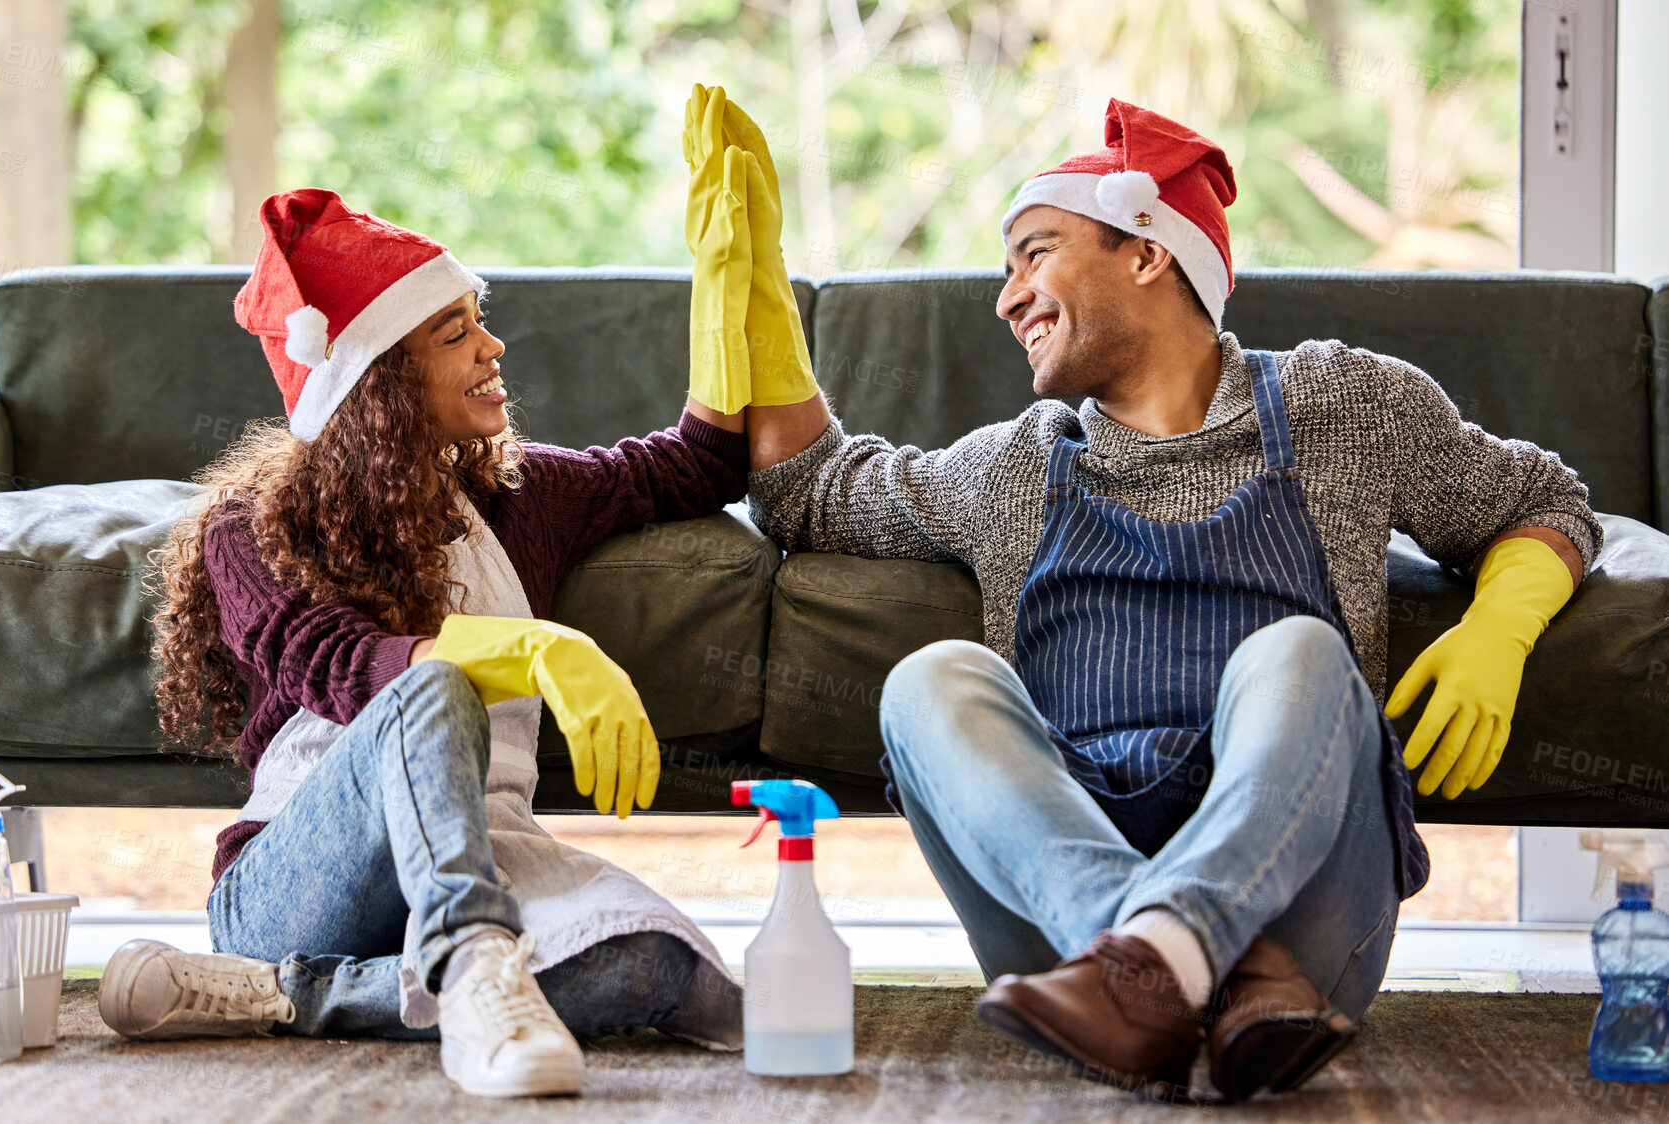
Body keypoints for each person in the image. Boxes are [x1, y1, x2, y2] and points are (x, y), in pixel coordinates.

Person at [683, 89, 1599, 1101]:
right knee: (928, 682)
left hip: (1304, 920)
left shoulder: (1345, 404)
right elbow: (806, 488)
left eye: (1034, 252)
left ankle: (1158, 959)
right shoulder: (1015, 468)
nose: (1005, 296)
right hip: (1111, 951)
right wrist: (754, 275)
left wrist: (1498, 630)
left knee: (1295, 652)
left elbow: (1542, 499)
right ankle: (1159, 955)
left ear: (1148, 252)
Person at [96, 188, 749, 1097]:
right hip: (298, 887)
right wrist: (539, 651)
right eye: (453, 333)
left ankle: (295, 997)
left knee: (654, 967)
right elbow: (345, 666)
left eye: (478, 321)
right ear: (379, 382)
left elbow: (696, 463)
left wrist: (729, 268)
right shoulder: (248, 529)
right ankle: (475, 962)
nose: (492, 347)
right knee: (429, 689)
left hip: (479, 852)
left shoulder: (519, 498)